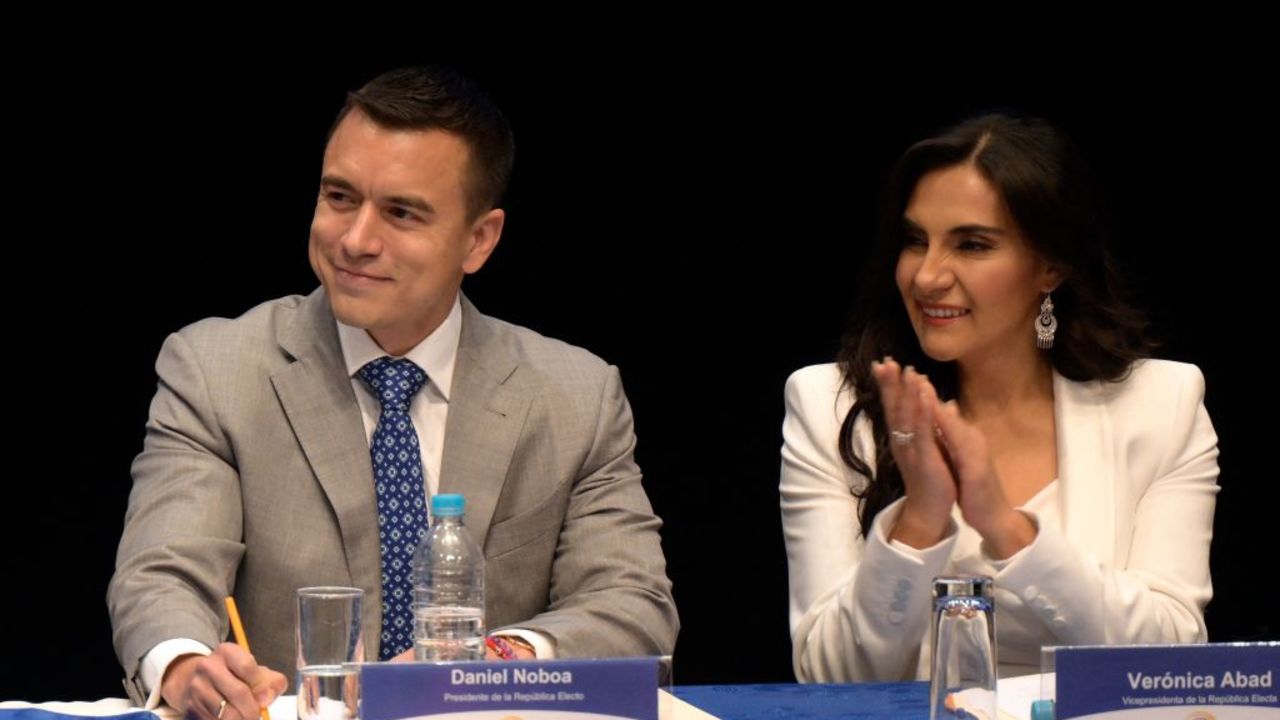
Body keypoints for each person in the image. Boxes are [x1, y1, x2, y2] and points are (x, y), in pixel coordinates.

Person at [109, 66, 678, 716]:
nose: (355, 240)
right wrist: (185, 665)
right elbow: (163, 572)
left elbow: (632, 605)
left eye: (401, 213)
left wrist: (490, 663)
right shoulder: (216, 368)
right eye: (340, 197)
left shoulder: (576, 396)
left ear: (479, 239)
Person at [780, 114, 1219, 681]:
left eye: (972, 244)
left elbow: (1172, 660)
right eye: (916, 241)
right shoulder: (830, 406)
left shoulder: (1163, 403)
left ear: (1051, 266)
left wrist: (1007, 530)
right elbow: (829, 675)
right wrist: (921, 517)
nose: (927, 276)